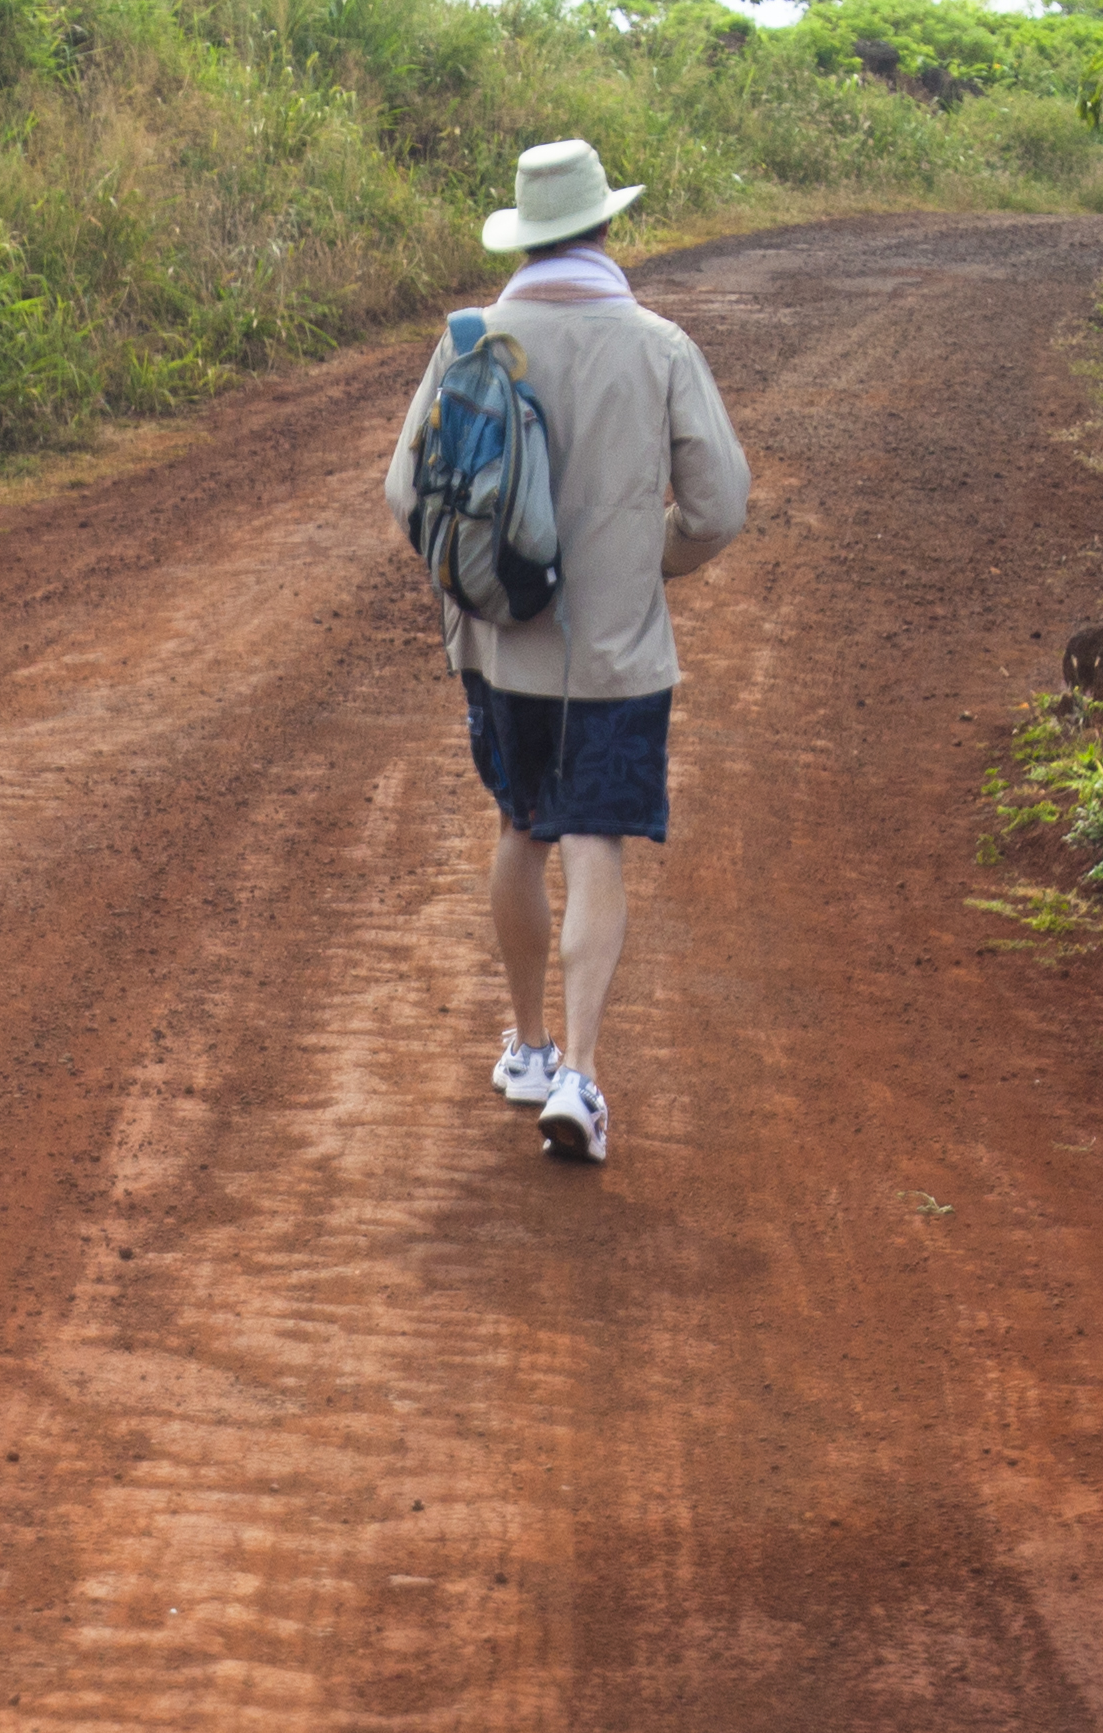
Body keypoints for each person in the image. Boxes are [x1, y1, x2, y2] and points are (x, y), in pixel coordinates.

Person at [378, 137, 751, 1169]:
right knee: (595, 845)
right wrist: (652, 564)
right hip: (617, 654)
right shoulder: (658, 346)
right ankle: (581, 1078)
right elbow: (719, 505)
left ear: (527, 233)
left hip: (499, 651)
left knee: (519, 828)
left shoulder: (470, 342)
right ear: (603, 227)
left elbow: (404, 497)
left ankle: (529, 1049)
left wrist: (482, 585)